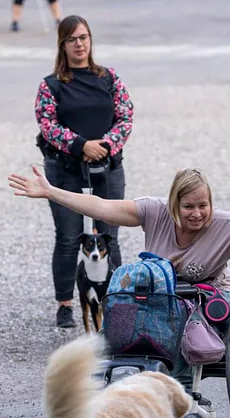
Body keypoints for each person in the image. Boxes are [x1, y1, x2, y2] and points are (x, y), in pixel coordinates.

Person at [7, 166, 230, 384]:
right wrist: (52, 191)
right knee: (118, 317)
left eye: (202, 205)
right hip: (158, 295)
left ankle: (180, 391)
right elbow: (103, 207)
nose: (196, 213)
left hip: (205, 297)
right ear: (174, 204)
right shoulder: (154, 212)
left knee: (185, 328)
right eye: (188, 206)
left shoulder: (225, 225)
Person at [35, 14, 134, 328]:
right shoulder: (51, 85)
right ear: (62, 45)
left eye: (84, 38)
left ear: (90, 40)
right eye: (72, 39)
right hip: (65, 167)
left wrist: (104, 144)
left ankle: (115, 300)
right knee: (67, 237)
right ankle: (66, 303)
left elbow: (126, 116)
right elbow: (48, 125)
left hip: (107, 164)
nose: (79, 44)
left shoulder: (108, 77)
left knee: (110, 236)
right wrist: (80, 145)